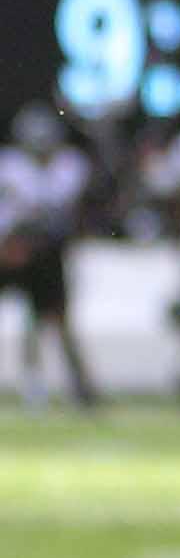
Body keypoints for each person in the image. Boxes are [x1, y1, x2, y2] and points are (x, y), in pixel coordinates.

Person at [0, 103, 98, 410]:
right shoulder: (10, 165)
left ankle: (77, 386)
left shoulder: (69, 165)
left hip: (46, 253)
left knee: (55, 319)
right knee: (40, 321)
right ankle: (35, 381)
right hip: (8, 248)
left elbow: (55, 216)